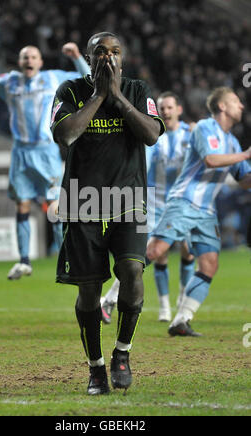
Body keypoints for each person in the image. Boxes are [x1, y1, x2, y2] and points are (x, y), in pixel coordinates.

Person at [51, 32, 165, 395]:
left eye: (115, 51)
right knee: (88, 289)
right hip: (82, 201)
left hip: (129, 198)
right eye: (101, 51)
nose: (108, 56)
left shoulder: (137, 90)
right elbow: (64, 135)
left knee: (132, 269)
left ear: (123, 58)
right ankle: (96, 368)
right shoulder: (69, 90)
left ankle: (122, 353)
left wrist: (117, 96)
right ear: (88, 58)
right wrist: (100, 96)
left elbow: (150, 134)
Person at [0, 43, 90, 280]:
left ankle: (66, 257)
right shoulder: (11, 82)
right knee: (22, 205)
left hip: (46, 151)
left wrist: (77, 56)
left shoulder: (53, 78)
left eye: (33, 57)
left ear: (40, 62)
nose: (29, 60)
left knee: (55, 208)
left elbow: (87, 77)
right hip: (20, 153)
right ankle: (24, 260)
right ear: (20, 61)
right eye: (25, 56)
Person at [146, 87, 251, 337]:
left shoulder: (233, 142)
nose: (242, 106)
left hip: (206, 212)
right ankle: (110, 296)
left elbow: (244, 180)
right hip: (184, 201)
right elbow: (211, 160)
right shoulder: (204, 128)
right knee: (155, 251)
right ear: (223, 106)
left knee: (209, 264)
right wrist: (246, 154)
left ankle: (181, 320)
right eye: (236, 101)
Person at [101, 92, 195, 324]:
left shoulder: (191, 134)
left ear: (179, 110)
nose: (165, 111)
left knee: (187, 252)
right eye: (162, 107)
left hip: (181, 201)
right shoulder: (153, 135)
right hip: (154, 201)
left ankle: (177, 305)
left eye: (170, 107)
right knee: (150, 254)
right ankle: (116, 299)